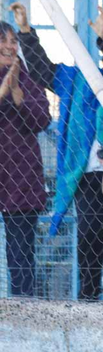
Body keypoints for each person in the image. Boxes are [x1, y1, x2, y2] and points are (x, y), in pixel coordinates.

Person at [11, 3, 103, 301]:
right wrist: (25, 32)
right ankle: (87, 305)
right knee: (90, 243)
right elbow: (44, 71)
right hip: (91, 177)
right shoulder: (83, 79)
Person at [0, 20, 51, 297]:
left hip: (20, 178)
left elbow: (43, 118)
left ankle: (23, 309)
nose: (9, 46)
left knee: (20, 254)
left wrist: (19, 100)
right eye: (3, 40)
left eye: (13, 41)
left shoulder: (26, 77)